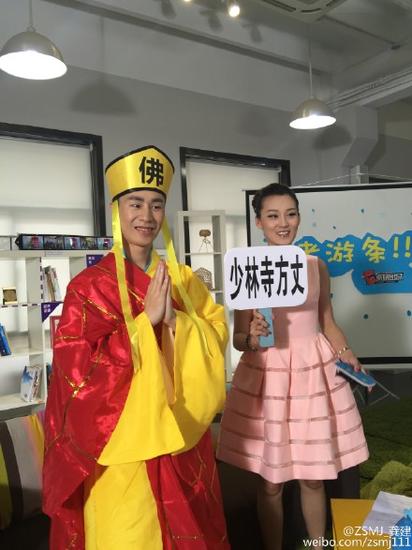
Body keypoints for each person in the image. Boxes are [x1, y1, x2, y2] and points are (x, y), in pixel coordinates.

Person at [43, 145, 230, 549]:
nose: (147, 216)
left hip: (181, 439)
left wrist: (175, 321)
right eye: (136, 203)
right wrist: (146, 323)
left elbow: (216, 333)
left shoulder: (184, 280)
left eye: (156, 205)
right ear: (116, 209)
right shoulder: (87, 287)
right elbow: (76, 369)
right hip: (119, 446)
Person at [217, 183, 368, 550]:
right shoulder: (248, 268)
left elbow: (327, 321)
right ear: (259, 222)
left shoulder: (316, 267)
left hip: (313, 373)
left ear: (299, 217)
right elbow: (239, 339)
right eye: (273, 216)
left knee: (313, 476)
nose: (283, 223)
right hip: (268, 377)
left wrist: (346, 352)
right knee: (271, 481)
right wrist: (253, 337)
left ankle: (317, 545)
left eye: (290, 214)